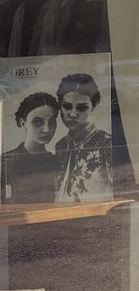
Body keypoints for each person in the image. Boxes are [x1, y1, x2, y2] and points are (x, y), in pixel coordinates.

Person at [53, 72, 113, 203]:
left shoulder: (107, 143)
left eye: (82, 108)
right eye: (67, 106)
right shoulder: (61, 146)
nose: (73, 114)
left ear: (93, 106)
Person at [1, 91, 61, 203]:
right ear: (23, 123)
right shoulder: (6, 162)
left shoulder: (58, 162)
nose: (47, 129)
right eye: (38, 122)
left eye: (52, 121)